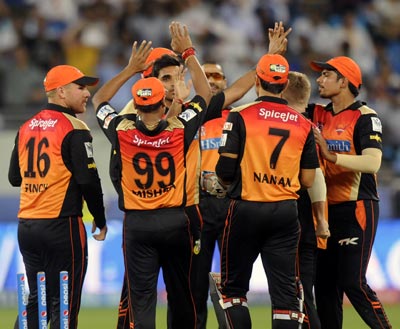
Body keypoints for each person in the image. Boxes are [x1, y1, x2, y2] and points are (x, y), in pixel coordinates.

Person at [92, 21, 212, 329]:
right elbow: (206, 94)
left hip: (138, 224)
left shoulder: (122, 131)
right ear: (162, 102)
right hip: (175, 220)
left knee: (142, 300)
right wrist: (188, 51)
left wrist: (130, 69)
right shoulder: (179, 129)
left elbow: (98, 101)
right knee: (182, 296)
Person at [215, 53, 319, 329]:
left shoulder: (240, 115)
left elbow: (224, 170)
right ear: (284, 86)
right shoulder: (304, 124)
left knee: (233, 290)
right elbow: (308, 179)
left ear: (257, 81)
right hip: (285, 212)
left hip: (245, 208)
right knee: (285, 295)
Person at [8, 64, 108, 329]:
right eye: (81, 87)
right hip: (62, 226)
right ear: (61, 91)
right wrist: (100, 217)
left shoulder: (26, 126)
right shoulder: (74, 127)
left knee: (35, 300)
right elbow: (88, 179)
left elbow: (14, 178)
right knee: (63, 304)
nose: (87, 93)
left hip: (28, 226)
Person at [307, 56, 392, 329]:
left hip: (356, 207)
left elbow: (372, 162)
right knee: (325, 287)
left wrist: (332, 157)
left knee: (352, 281)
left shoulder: (366, 117)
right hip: (324, 211)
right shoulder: (315, 114)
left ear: (344, 81)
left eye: (326, 75)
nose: (319, 80)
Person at [283, 71, 330, 329]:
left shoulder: (298, 127)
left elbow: (315, 177)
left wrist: (320, 219)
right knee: (296, 293)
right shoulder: (308, 126)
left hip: (298, 219)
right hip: (308, 222)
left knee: (298, 294)